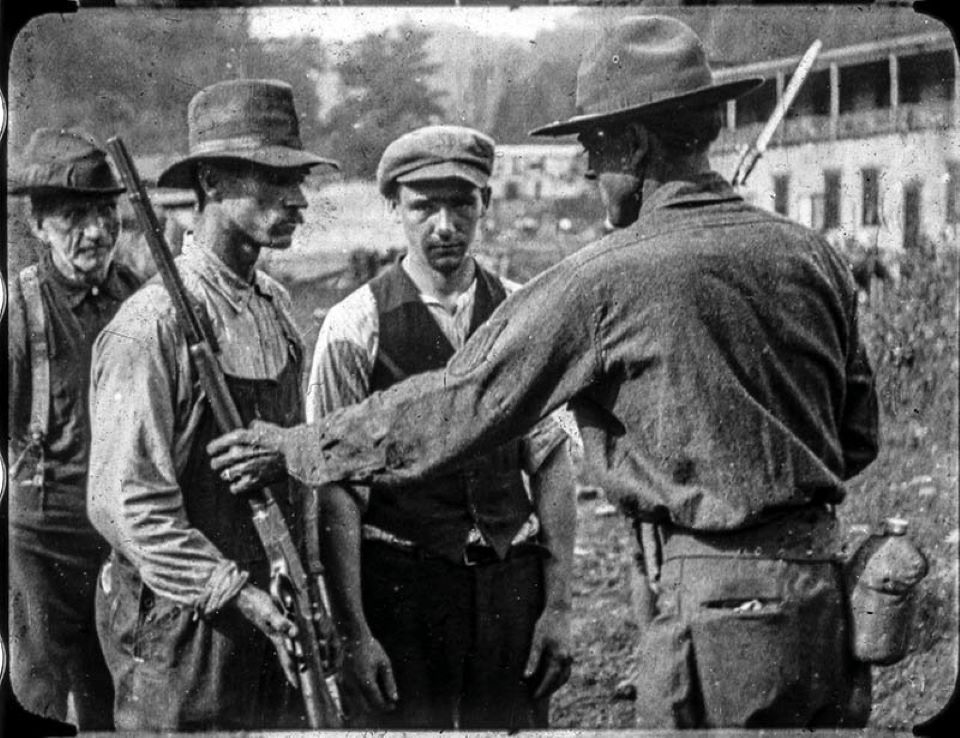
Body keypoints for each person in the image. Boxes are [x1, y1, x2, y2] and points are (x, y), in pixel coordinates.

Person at [209, 16, 879, 729]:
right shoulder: (812, 255)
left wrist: (299, 446)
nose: (589, 170)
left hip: (717, 608)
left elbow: (462, 402)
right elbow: (857, 435)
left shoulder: (603, 279)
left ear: (637, 143)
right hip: (824, 598)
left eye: (594, 145)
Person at [86, 79, 339, 730]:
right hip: (183, 628)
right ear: (212, 184)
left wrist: (310, 588)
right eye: (271, 180)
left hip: (274, 611)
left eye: (298, 179)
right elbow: (128, 506)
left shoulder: (277, 310)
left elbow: (298, 475)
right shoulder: (151, 328)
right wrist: (234, 594)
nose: (297, 201)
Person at [306, 125, 576, 729]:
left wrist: (558, 608)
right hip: (403, 594)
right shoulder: (355, 327)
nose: (445, 226)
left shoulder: (521, 314)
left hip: (509, 589)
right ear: (394, 209)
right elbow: (339, 489)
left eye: (461, 204)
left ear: (485, 202)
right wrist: (354, 632)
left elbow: (552, 460)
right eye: (424, 207)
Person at [7, 128, 141, 730]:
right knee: (36, 693)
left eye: (105, 213)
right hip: (42, 540)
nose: (95, 232)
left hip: (119, 535)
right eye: (73, 217)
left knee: (110, 695)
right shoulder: (19, 310)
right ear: (38, 226)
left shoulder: (139, 299)